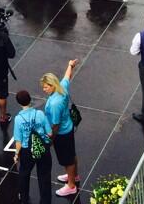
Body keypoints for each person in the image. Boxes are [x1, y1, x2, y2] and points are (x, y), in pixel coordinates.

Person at [42, 60, 80, 198]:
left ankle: (71, 186)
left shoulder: (55, 103)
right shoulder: (62, 87)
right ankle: (74, 176)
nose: (44, 89)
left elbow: (56, 125)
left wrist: (51, 139)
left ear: (52, 86)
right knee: (72, 154)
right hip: (68, 128)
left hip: (61, 133)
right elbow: (67, 77)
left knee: (67, 159)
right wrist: (70, 65)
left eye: (46, 87)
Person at [13, 90, 52, 204]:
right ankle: (45, 200)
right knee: (44, 175)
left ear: (19, 103)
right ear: (30, 100)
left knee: (24, 174)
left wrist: (16, 155)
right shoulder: (40, 114)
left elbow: (18, 140)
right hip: (42, 148)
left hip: (27, 150)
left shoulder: (18, 119)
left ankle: (24, 198)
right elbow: (49, 133)